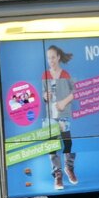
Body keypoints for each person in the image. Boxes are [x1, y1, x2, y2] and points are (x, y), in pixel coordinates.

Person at [42, 45, 78, 190]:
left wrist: (63, 102)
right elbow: (43, 93)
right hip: (50, 117)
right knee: (53, 146)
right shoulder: (45, 75)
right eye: (48, 58)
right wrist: (45, 96)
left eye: (53, 57)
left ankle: (69, 168)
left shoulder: (65, 75)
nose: (51, 60)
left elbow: (75, 92)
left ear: (58, 58)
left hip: (63, 116)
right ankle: (58, 174)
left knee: (67, 143)